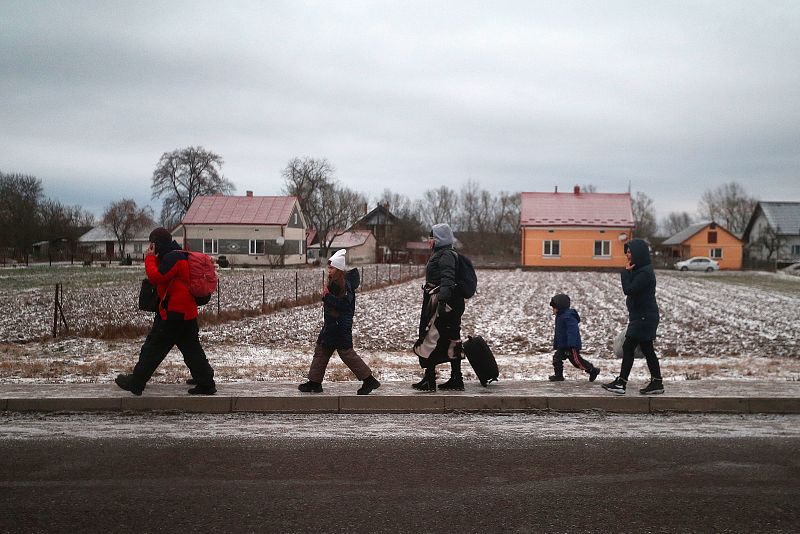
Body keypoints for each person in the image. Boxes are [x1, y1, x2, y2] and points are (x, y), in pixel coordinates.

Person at [115, 227, 216, 396]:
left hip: (174, 314)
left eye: (151, 243)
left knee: (154, 347)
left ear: (157, 243)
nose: (150, 246)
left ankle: (136, 382)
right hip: (185, 312)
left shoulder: (173, 258)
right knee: (191, 349)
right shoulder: (176, 254)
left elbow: (156, 277)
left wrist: (149, 258)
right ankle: (206, 382)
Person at [298, 249, 381, 395]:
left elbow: (344, 305)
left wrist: (327, 297)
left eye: (331, 268)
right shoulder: (336, 282)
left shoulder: (342, 284)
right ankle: (314, 382)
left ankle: (369, 380)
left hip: (339, 327)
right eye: (328, 267)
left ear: (338, 269)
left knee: (346, 354)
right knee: (321, 351)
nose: (328, 270)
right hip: (332, 325)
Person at [602, 239, 664, 395]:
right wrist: (630, 272)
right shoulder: (641, 270)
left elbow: (629, 289)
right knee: (647, 349)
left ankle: (622, 383)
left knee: (628, 347)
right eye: (627, 252)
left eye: (630, 252)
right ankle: (657, 382)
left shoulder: (644, 273)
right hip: (642, 317)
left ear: (638, 253)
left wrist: (625, 272)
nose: (627, 255)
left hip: (644, 318)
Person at [412, 223, 465, 391]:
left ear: (439, 239)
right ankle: (453, 378)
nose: (429, 241)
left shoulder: (446, 255)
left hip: (443, 303)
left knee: (431, 337)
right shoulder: (443, 253)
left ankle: (433, 379)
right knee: (447, 338)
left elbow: (448, 279)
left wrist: (442, 302)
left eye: (432, 238)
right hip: (446, 302)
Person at [548, 293, 600, 382]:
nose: (553, 310)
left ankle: (592, 370)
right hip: (563, 345)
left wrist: (571, 344)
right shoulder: (560, 316)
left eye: (554, 307)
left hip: (570, 345)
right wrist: (557, 343)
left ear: (560, 307)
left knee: (577, 362)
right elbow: (560, 332)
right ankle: (558, 375)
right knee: (557, 358)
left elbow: (572, 331)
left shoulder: (568, 317)